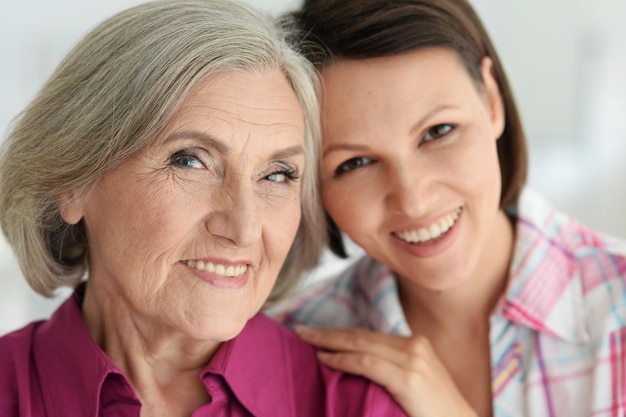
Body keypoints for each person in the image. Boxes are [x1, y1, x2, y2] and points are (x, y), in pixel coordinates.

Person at [0, 1, 408, 416]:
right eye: (190, 160)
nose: (245, 228)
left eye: (278, 174)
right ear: (72, 183)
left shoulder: (359, 406)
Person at [270, 0, 626, 416]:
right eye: (356, 163)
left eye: (438, 132)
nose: (413, 200)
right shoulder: (292, 347)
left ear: (492, 100)